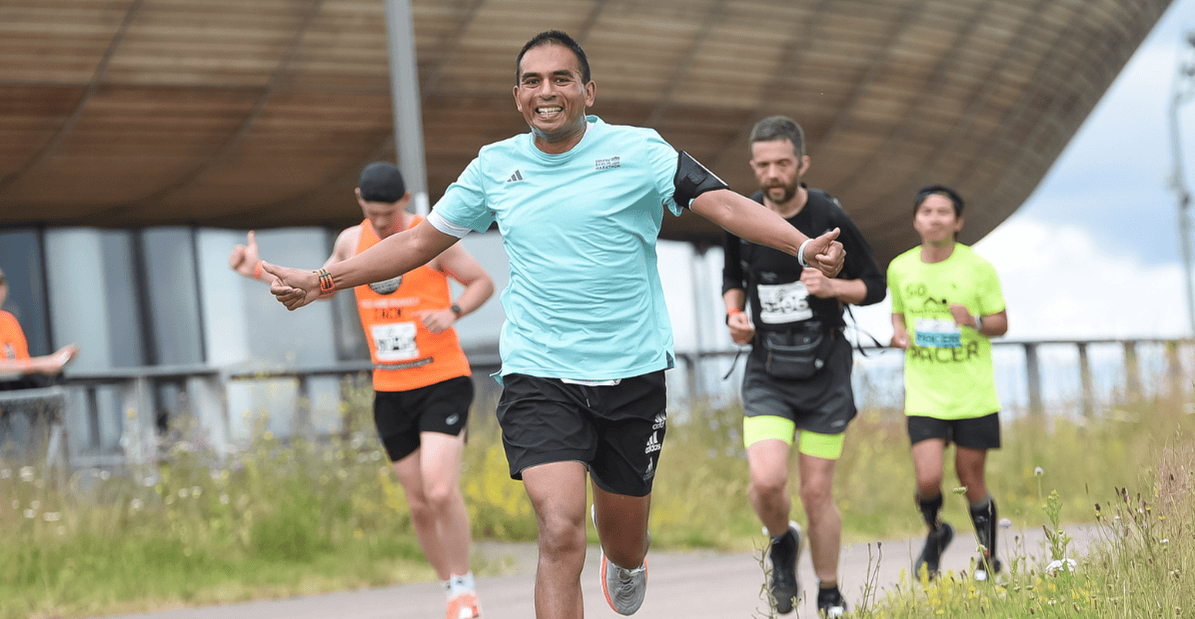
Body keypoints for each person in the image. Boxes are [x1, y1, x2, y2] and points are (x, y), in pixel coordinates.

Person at [260, 30, 845, 619]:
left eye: (561, 79)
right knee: (559, 531)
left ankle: (624, 559)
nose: (546, 91)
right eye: (532, 81)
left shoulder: (641, 150)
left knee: (625, 541)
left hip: (631, 372)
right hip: (539, 374)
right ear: (518, 97)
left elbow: (724, 203)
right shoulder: (495, 166)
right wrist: (323, 280)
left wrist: (801, 247)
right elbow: (416, 242)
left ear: (588, 92)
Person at [229, 162, 495, 619]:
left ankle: (467, 586)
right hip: (390, 387)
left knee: (438, 489)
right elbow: (321, 286)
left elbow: (482, 282)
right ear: (359, 202)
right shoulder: (351, 242)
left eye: (390, 214)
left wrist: (452, 312)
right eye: (373, 214)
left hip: (442, 378)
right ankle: (452, 590)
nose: (382, 223)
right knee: (419, 503)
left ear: (405, 201)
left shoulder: (430, 238)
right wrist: (257, 271)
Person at [722, 116, 884, 617]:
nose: (773, 173)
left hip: (825, 372)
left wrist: (833, 287)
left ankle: (830, 594)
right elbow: (731, 278)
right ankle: (782, 541)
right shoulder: (744, 214)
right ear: (753, 166)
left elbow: (875, 286)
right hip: (768, 370)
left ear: (802, 164)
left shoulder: (826, 214)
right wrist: (733, 316)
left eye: (783, 163)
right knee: (767, 481)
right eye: (763, 165)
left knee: (816, 493)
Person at [887, 185, 1008, 583]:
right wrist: (898, 332)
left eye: (943, 212)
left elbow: (1001, 323)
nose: (934, 219)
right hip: (924, 393)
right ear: (915, 220)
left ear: (958, 222)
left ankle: (988, 558)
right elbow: (898, 313)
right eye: (926, 211)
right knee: (928, 479)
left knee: (970, 478)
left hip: (973, 393)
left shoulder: (978, 267)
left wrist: (973, 321)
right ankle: (936, 532)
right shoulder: (900, 267)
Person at [0, 267, 79, 452]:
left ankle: (43, 454)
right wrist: (45, 362)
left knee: (51, 381)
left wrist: (54, 364)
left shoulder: (8, 321)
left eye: (1, 283)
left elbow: (22, 365)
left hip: (11, 391)